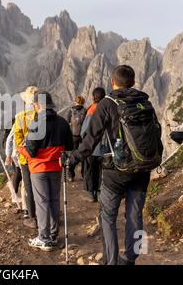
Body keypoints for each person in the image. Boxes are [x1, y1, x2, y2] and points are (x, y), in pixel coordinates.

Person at [66, 65, 163, 265]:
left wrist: (71, 159)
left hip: (115, 172)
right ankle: (130, 258)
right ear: (134, 82)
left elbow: (89, 141)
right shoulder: (146, 103)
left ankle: (111, 261)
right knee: (135, 216)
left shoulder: (107, 104)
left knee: (108, 217)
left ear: (113, 81)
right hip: (142, 170)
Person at [19, 91, 73, 251]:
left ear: (37, 105)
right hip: (56, 167)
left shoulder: (36, 124)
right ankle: (54, 234)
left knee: (42, 202)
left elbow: (31, 151)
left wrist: (21, 149)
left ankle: (44, 238)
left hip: (38, 169)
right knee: (54, 200)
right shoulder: (63, 122)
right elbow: (70, 146)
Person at [14, 86, 39, 228]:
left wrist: (23, 151)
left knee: (29, 186)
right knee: (41, 187)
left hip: (25, 158)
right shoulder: (41, 115)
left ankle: (32, 217)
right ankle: (44, 214)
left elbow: (17, 140)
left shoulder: (20, 117)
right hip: (40, 158)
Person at [81, 87, 106, 202]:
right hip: (105, 148)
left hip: (92, 147)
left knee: (91, 170)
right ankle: (101, 193)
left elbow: (83, 131)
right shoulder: (107, 108)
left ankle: (92, 193)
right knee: (102, 171)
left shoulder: (91, 110)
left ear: (93, 97)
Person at [66, 96, 86, 181]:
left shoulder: (71, 111)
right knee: (84, 155)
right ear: (83, 102)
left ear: (75, 102)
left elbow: (67, 123)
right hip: (83, 137)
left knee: (72, 155)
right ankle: (84, 174)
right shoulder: (85, 111)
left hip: (73, 136)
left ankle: (71, 175)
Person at [5, 119, 24, 206]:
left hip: (16, 153)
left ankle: (15, 195)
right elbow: (9, 139)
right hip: (18, 154)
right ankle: (15, 196)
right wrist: (8, 155)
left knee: (19, 173)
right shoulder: (18, 124)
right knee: (20, 174)